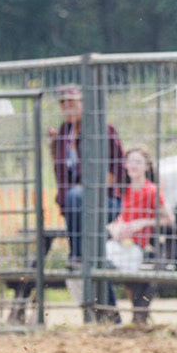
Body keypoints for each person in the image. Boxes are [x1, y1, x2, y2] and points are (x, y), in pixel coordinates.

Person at [52, 85, 125, 265]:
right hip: (75, 204)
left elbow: (116, 170)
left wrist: (90, 188)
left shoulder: (102, 130)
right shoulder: (64, 132)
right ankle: (81, 257)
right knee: (73, 197)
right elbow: (62, 172)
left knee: (76, 196)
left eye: (73, 103)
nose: (68, 108)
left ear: (84, 104)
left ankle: (78, 255)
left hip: (105, 200)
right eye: (64, 104)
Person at [107, 147, 174, 324]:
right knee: (96, 262)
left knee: (105, 267)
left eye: (138, 161)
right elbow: (122, 216)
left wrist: (143, 222)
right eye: (130, 161)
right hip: (119, 244)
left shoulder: (151, 190)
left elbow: (168, 218)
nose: (132, 165)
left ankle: (122, 316)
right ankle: (111, 316)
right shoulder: (125, 190)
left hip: (134, 248)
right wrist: (115, 227)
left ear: (146, 166)